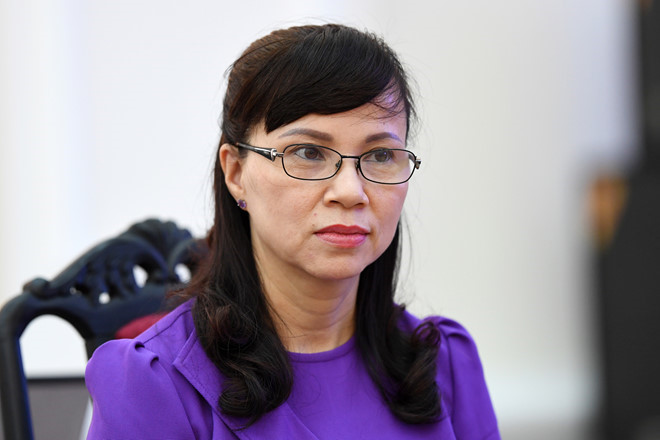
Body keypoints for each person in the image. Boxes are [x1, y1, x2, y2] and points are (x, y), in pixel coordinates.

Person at [85, 23, 500, 439]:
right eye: (308, 152)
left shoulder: (444, 363)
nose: (350, 192)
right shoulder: (153, 384)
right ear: (236, 173)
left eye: (379, 155)